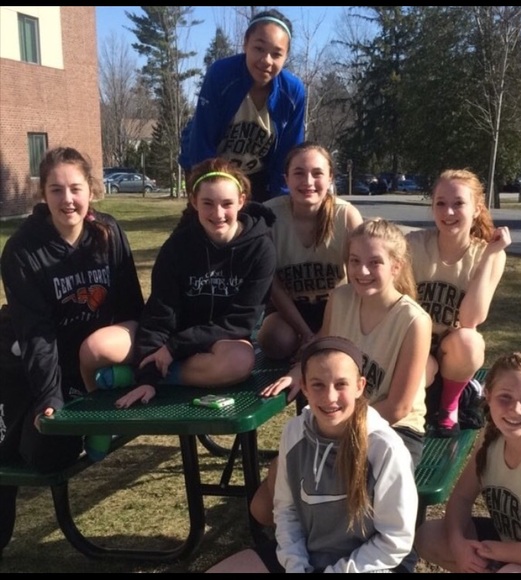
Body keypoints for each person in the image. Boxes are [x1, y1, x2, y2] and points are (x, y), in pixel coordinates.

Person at [252, 219, 431, 573]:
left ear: (396, 267)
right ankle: (297, 549)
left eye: (375, 262)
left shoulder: (414, 320)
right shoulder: (341, 297)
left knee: (349, 482)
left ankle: (380, 558)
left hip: (392, 427)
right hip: (334, 417)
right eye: (354, 261)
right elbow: (323, 345)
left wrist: (336, 427)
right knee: (263, 502)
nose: (362, 271)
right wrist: (296, 374)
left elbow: (398, 406)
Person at [0, 146, 144, 552]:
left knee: (52, 449)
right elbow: (36, 335)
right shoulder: (23, 250)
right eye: (56, 190)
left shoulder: (109, 233)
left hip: (81, 370)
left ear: (91, 190)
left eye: (76, 188)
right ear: (43, 194)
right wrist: (50, 398)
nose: (67, 199)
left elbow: (132, 309)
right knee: (22, 452)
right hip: (22, 368)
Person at [206, 335, 418, 573]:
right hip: (309, 557)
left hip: (370, 564)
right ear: (304, 387)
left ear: (360, 386)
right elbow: (287, 511)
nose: (330, 397)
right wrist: (296, 566)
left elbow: (395, 540)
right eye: (318, 385)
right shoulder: (294, 433)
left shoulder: (385, 448)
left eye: (341, 384)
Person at [114, 157, 277, 409]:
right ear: (193, 201)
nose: (218, 214)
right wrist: (147, 379)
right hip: (176, 338)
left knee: (239, 361)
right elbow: (160, 312)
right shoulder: (177, 247)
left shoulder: (260, 249)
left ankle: (156, 374)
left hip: (221, 341)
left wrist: (173, 349)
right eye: (208, 203)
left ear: (241, 201)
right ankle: (146, 371)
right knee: (98, 349)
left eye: (227, 203)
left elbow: (240, 321)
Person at [415, 351, 521, 573]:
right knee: (430, 535)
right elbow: (462, 498)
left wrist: (493, 550)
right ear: (488, 395)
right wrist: (459, 545)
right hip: (509, 544)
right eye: (505, 397)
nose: (516, 409)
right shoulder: (490, 437)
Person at [406, 168, 512, 437]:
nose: (448, 212)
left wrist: (489, 256)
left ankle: (449, 406)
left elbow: (470, 320)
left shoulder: (489, 253)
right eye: (440, 203)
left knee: (470, 340)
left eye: (458, 204)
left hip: (452, 353)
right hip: (415, 346)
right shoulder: (413, 245)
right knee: (417, 377)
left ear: (477, 209)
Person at [179, 9, 306, 203]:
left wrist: (282, 201)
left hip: (256, 175)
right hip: (207, 164)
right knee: (212, 218)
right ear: (245, 44)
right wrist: (209, 189)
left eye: (276, 54)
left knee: (264, 219)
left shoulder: (293, 92)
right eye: (259, 48)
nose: (266, 60)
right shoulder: (221, 75)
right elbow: (202, 141)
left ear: (286, 56)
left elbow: (289, 155)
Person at [257, 141, 363, 361]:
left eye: (317, 173)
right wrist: (306, 334)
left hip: (335, 307)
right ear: (286, 179)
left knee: (339, 349)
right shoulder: (268, 216)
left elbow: (360, 278)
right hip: (288, 308)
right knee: (275, 340)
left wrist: (323, 334)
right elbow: (271, 284)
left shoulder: (346, 215)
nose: (308, 182)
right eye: (299, 173)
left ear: (330, 178)